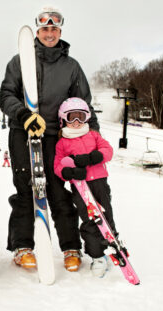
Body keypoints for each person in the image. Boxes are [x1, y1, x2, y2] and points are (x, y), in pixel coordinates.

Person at [0, 6, 99, 272]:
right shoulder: (19, 60)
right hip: (24, 132)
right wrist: (23, 114)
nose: (49, 33)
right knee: (26, 189)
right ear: (38, 31)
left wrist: (94, 139)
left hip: (57, 136)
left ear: (60, 32)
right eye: (45, 29)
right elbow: (6, 95)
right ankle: (22, 246)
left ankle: (71, 247)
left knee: (57, 189)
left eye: (54, 29)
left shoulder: (71, 66)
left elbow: (83, 104)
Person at [53, 97, 120, 278]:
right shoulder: (62, 142)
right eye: (71, 117)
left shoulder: (93, 135)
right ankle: (97, 256)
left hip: (99, 183)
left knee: (105, 216)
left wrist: (94, 157)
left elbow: (108, 150)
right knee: (89, 220)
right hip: (80, 187)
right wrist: (69, 172)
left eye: (80, 117)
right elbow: (58, 166)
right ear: (63, 119)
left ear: (86, 118)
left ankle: (111, 246)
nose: (76, 122)